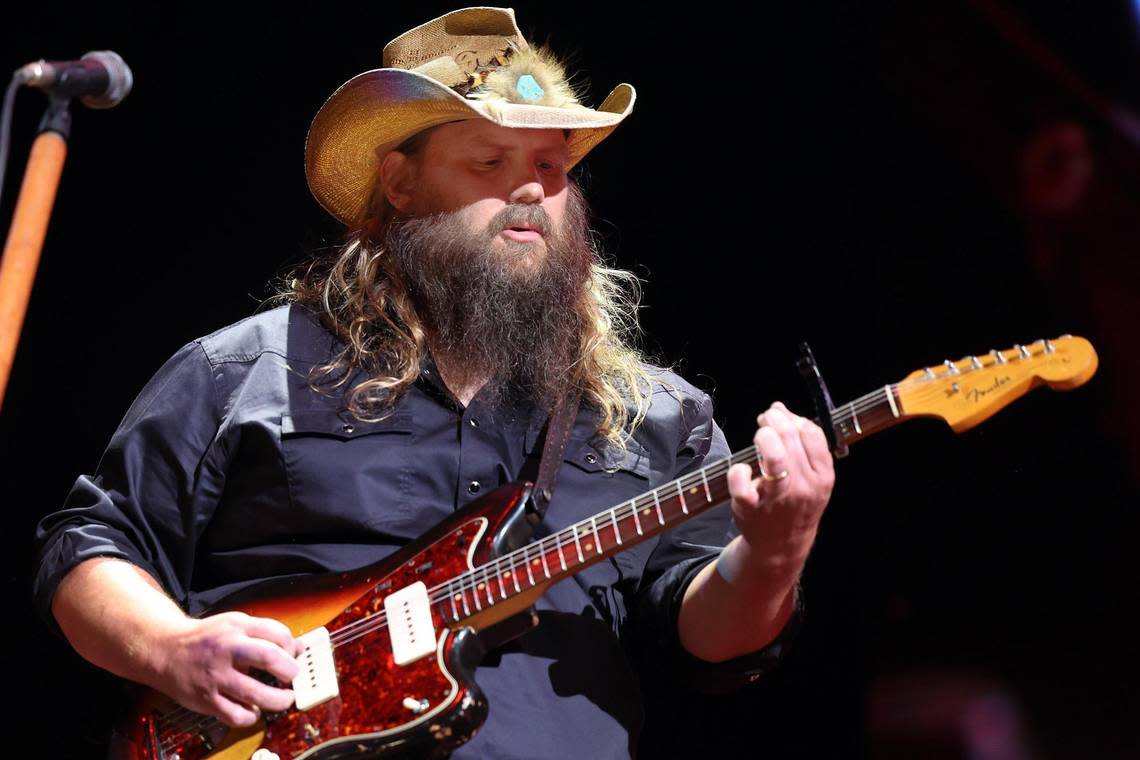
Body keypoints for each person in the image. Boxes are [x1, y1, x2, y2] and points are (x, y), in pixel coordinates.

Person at [31, 7, 836, 758]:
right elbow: (86, 548)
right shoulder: (249, 372)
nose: (531, 191)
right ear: (400, 182)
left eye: (553, 167)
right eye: (491, 160)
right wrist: (172, 648)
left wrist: (773, 553)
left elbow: (709, 643)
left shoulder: (654, 419)